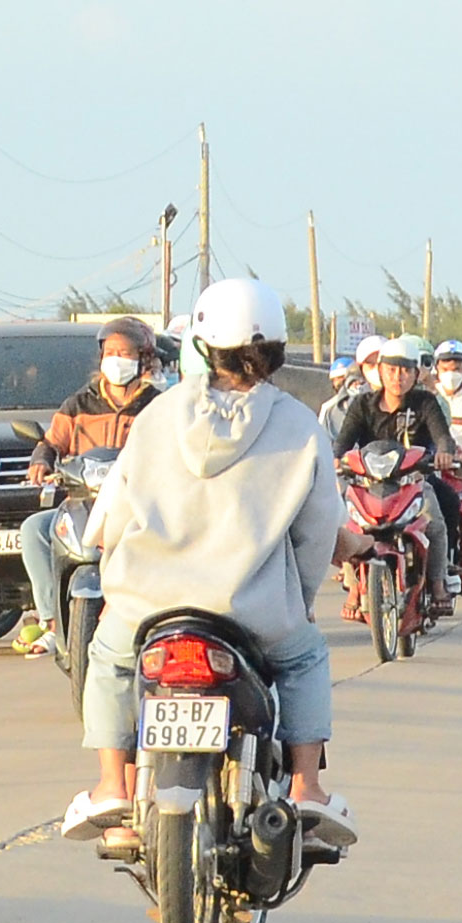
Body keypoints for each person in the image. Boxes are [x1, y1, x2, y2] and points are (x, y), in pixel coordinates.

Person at [61, 277, 357, 857]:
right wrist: (295, 598)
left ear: (202, 344)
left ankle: (112, 785)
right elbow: (319, 529)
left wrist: (115, 566)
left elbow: (115, 511)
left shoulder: (159, 414)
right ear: (276, 348)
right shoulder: (300, 427)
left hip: (149, 604)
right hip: (252, 610)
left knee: (110, 659)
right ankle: (306, 785)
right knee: (304, 658)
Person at [20, 319, 159, 655]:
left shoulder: (158, 406)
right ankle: (52, 622)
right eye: (110, 353)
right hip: (82, 503)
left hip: (135, 507)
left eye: (125, 353)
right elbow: (51, 442)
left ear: (144, 359)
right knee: (35, 530)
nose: (116, 360)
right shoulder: (78, 405)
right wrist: (41, 461)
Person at [324, 339, 462, 605]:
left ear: (416, 374)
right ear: (380, 371)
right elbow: (342, 443)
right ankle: (352, 583)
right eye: (391, 370)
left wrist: (445, 453)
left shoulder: (426, 403)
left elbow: (442, 437)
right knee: (346, 522)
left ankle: (437, 581)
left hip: (414, 480)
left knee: (435, 522)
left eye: (405, 370)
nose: (398, 377)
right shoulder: (362, 405)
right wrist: (335, 458)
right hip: (368, 483)